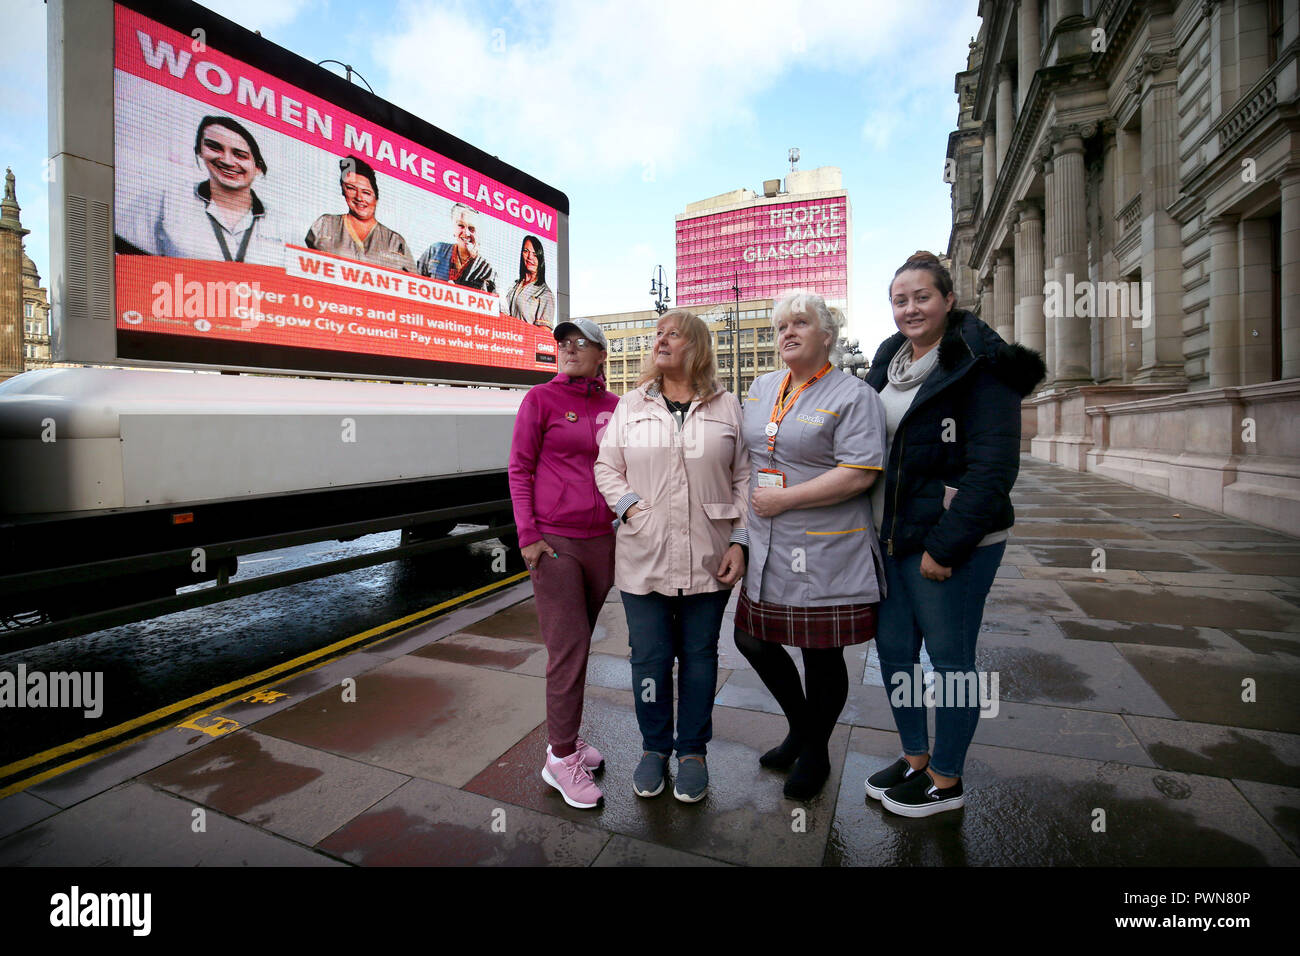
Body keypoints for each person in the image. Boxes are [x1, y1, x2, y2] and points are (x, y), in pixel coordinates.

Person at [864, 251, 1045, 818]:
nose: (911, 308)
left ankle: (947, 778)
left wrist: (946, 547)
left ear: (947, 300)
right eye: (900, 299)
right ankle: (915, 758)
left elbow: (992, 469)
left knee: (950, 662)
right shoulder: (890, 360)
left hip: (951, 544)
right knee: (895, 655)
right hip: (892, 539)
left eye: (922, 297)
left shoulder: (980, 363)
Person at [733, 291, 887, 800]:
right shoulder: (760, 388)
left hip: (824, 545)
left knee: (820, 654)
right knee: (751, 639)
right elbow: (745, 453)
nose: (787, 334)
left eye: (800, 323)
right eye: (781, 327)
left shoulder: (852, 395)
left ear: (828, 335)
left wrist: (786, 500)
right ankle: (803, 728)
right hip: (769, 542)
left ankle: (815, 750)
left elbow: (859, 474)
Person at [594, 309, 749, 803]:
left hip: (709, 555)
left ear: (696, 346)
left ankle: (692, 752)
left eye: (672, 334)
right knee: (650, 659)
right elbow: (606, 466)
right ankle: (653, 748)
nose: (660, 340)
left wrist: (741, 541)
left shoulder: (727, 407)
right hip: (645, 554)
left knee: (700, 658)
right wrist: (631, 508)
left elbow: (745, 477)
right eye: (657, 334)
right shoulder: (631, 405)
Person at [508, 317, 619, 809]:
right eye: (563, 343)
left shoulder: (617, 408)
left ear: (601, 355)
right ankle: (559, 758)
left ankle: (570, 741)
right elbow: (520, 468)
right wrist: (528, 537)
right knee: (568, 649)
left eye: (582, 343)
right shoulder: (540, 400)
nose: (570, 349)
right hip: (555, 543)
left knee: (580, 644)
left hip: (602, 541)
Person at [115, 115, 287, 266]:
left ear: (257, 167)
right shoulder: (163, 202)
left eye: (240, 154)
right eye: (214, 147)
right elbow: (122, 264)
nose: (227, 160)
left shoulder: (282, 226)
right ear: (200, 152)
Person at [304, 155, 416, 272]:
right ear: (343, 190)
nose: (359, 198)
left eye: (366, 192)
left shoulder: (394, 241)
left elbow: (414, 283)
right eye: (351, 188)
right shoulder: (326, 225)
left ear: (376, 197)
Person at [416, 203, 497, 292]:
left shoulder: (487, 270)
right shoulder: (435, 251)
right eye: (461, 226)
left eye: (471, 228)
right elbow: (413, 282)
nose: (466, 233)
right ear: (453, 228)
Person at [504, 235, 556, 327]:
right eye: (526, 251)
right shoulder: (515, 285)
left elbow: (543, 333)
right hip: (507, 338)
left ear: (540, 258)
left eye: (535, 254)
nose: (530, 257)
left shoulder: (545, 294)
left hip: (526, 341)